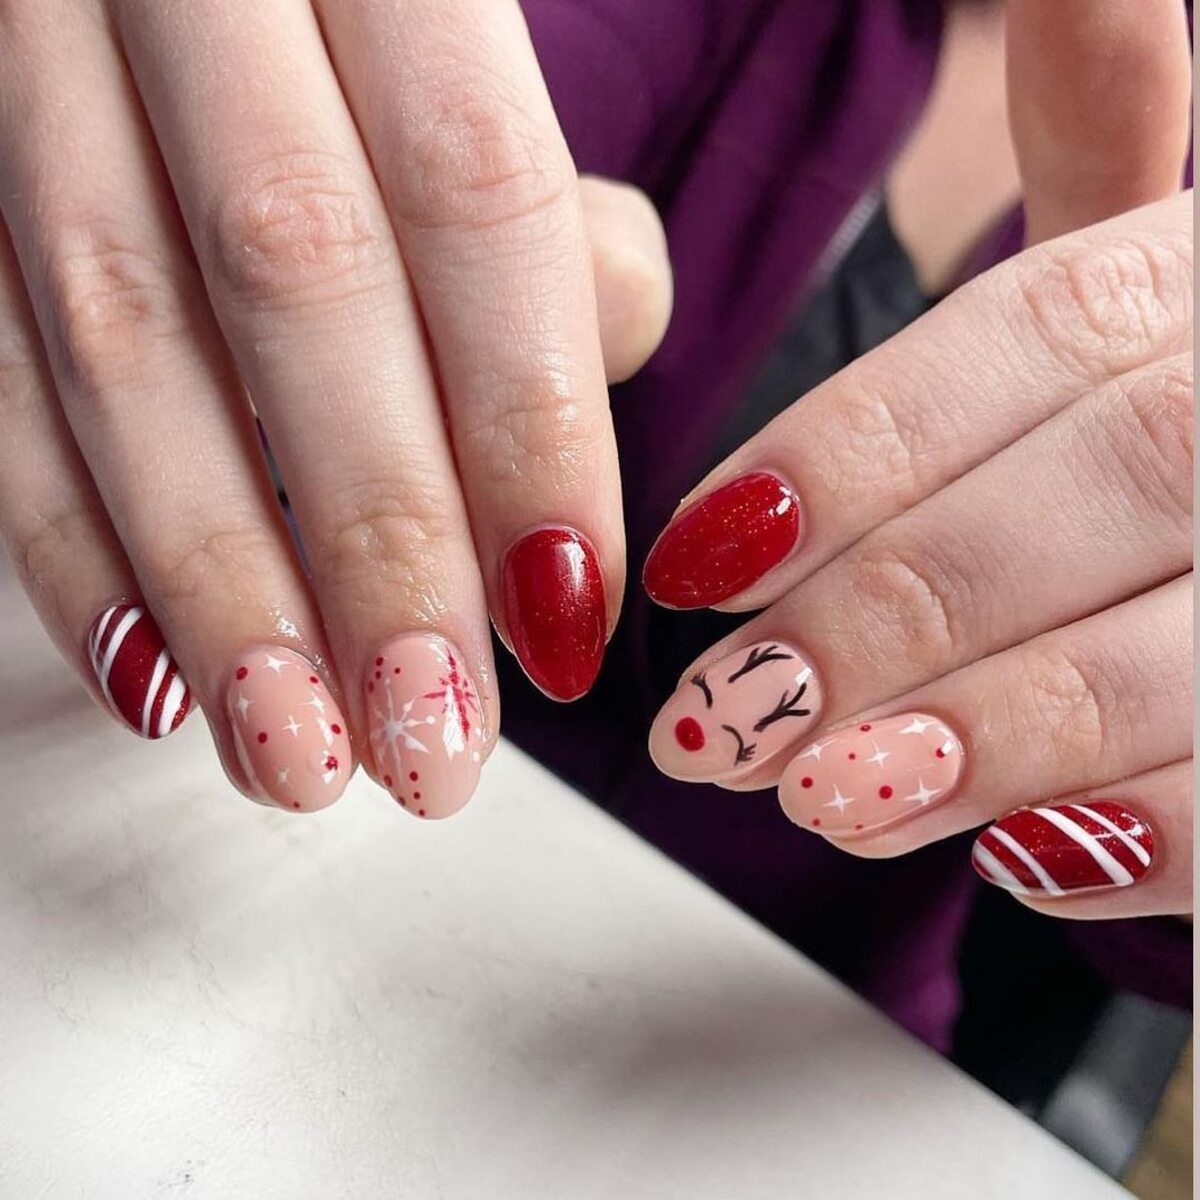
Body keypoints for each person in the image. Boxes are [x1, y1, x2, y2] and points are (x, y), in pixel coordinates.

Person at [0, 0, 1190, 1049]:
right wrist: (305, 191)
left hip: (771, 1071)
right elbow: (476, 89)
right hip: (313, 928)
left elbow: (1150, 963)